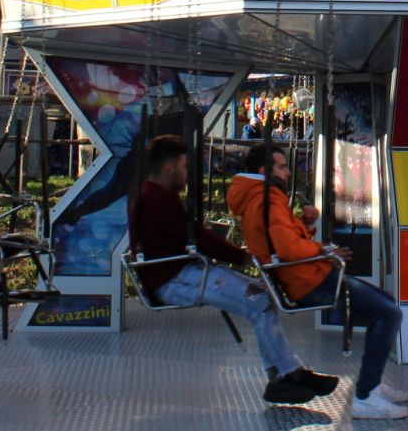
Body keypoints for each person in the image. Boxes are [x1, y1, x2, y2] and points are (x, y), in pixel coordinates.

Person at [134, 137, 338, 407]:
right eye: (185, 167)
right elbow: (196, 237)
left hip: (183, 271)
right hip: (174, 279)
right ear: (170, 167)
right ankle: (283, 376)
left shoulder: (156, 196)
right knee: (259, 300)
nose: (189, 175)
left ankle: (289, 372)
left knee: (263, 297)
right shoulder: (157, 200)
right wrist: (241, 256)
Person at [228, 143, 407, 419]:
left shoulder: (259, 197)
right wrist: (325, 251)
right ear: (265, 170)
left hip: (310, 274)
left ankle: (373, 384)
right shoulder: (268, 199)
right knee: (387, 313)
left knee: (385, 305)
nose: (288, 172)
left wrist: (305, 224)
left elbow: (283, 241)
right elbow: (287, 249)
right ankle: (366, 395)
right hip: (311, 280)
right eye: (282, 166)